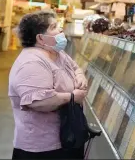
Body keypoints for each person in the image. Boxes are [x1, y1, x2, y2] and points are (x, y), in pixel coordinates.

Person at [8, 10, 88, 159]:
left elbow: (75, 67)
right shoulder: (31, 63)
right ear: (40, 38)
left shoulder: (57, 53)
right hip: (43, 149)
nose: (61, 29)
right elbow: (40, 102)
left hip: (66, 140)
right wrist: (72, 97)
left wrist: (79, 76)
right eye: (54, 27)